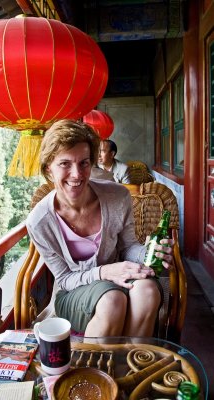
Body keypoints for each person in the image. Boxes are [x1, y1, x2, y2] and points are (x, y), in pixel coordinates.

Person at [26, 119, 174, 338]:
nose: (77, 174)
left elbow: (128, 247)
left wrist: (150, 252)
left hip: (119, 277)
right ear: (49, 168)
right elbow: (65, 278)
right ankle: (94, 370)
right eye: (65, 164)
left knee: (149, 291)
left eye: (84, 163)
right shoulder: (40, 222)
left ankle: (128, 367)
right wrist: (105, 272)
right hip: (74, 291)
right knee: (112, 300)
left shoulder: (117, 196)